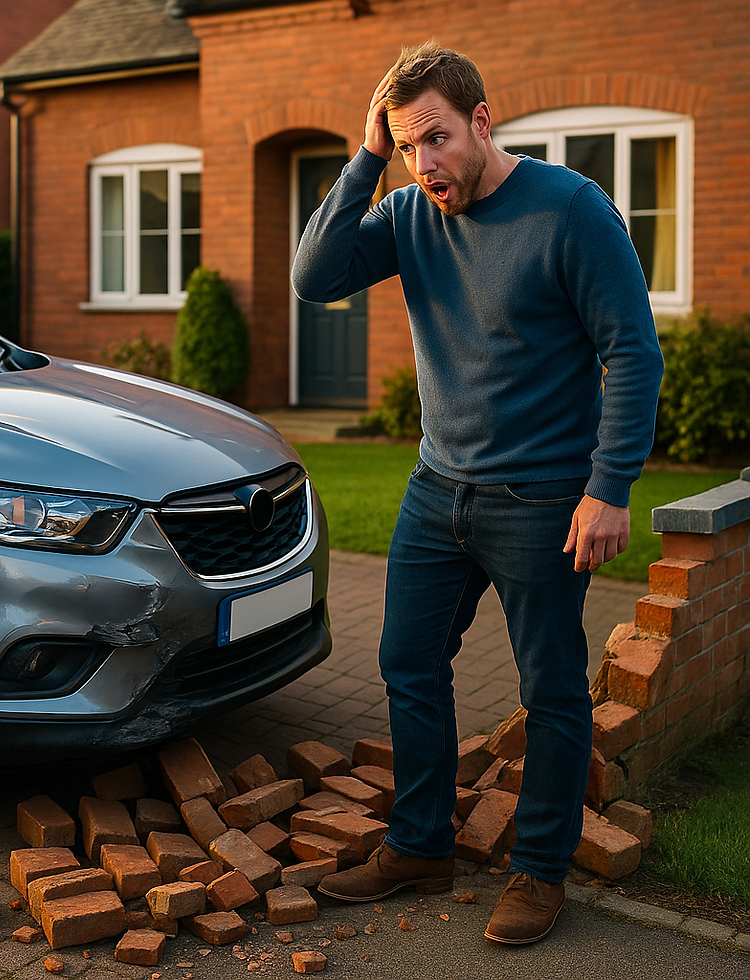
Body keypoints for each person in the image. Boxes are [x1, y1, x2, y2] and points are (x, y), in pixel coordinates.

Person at [291, 41, 663, 945]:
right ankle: (421, 844)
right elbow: (314, 277)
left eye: (436, 139)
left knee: (550, 689)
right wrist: (366, 158)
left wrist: (609, 488)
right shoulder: (409, 210)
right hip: (436, 488)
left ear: (482, 122)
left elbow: (631, 352)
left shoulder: (569, 210)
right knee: (408, 662)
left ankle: (539, 869)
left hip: (542, 499)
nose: (425, 163)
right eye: (405, 146)